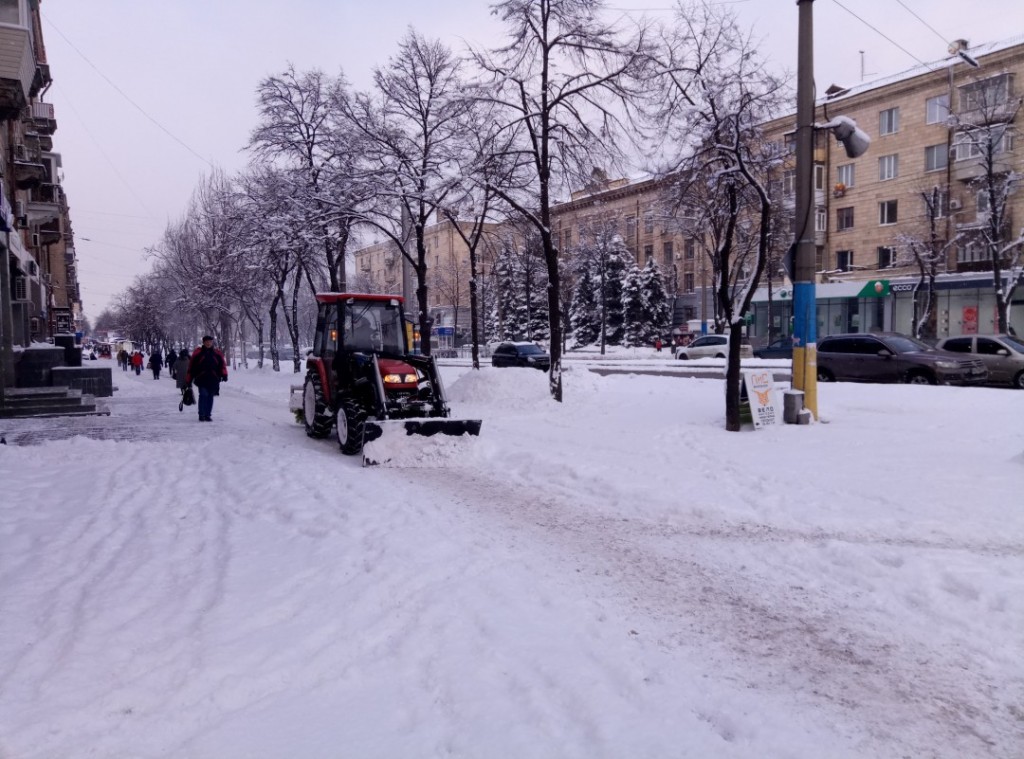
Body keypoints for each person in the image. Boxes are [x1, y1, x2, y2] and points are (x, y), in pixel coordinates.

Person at [185, 336, 228, 422]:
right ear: (203, 342)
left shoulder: (217, 353)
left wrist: (224, 374)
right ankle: (201, 414)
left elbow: (222, 365)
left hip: (213, 379)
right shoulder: (198, 353)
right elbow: (191, 367)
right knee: (203, 395)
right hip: (201, 378)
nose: (208, 343)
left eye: (210, 341)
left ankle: (208, 415)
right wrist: (189, 379)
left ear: (212, 342)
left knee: (210, 397)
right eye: (207, 341)